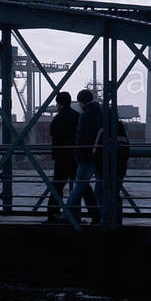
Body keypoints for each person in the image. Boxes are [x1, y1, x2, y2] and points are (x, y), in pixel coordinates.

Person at [63, 88, 103, 223]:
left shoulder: (85, 115)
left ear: (83, 101)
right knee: (99, 186)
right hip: (99, 154)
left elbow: (82, 136)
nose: (79, 105)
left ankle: (67, 215)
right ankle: (99, 215)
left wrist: (77, 152)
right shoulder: (100, 113)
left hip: (86, 155)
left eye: (79, 102)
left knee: (78, 186)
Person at [45, 91, 79, 221]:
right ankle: (92, 214)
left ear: (59, 104)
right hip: (75, 156)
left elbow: (53, 133)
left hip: (61, 157)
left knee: (57, 186)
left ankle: (53, 212)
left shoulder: (58, 118)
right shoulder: (77, 116)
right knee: (82, 185)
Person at [93, 119, 131, 219]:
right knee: (115, 194)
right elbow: (127, 149)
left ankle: (105, 217)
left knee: (99, 192)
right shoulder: (121, 130)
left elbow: (96, 150)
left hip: (103, 169)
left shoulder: (103, 131)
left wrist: (96, 168)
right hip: (119, 169)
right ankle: (117, 218)